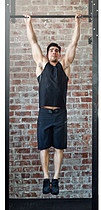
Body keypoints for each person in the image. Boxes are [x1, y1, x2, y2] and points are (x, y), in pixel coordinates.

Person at [24, 13, 81, 195]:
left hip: (60, 114)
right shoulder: (41, 65)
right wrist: (29, 23)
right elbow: (33, 43)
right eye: (51, 51)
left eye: (56, 50)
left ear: (59, 53)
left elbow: (73, 44)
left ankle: (55, 179)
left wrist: (76, 23)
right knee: (43, 147)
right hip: (44, 114)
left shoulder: (64, 66)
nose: (54, 52)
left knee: (58, 147)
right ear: (47, 54)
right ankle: (46, 177)